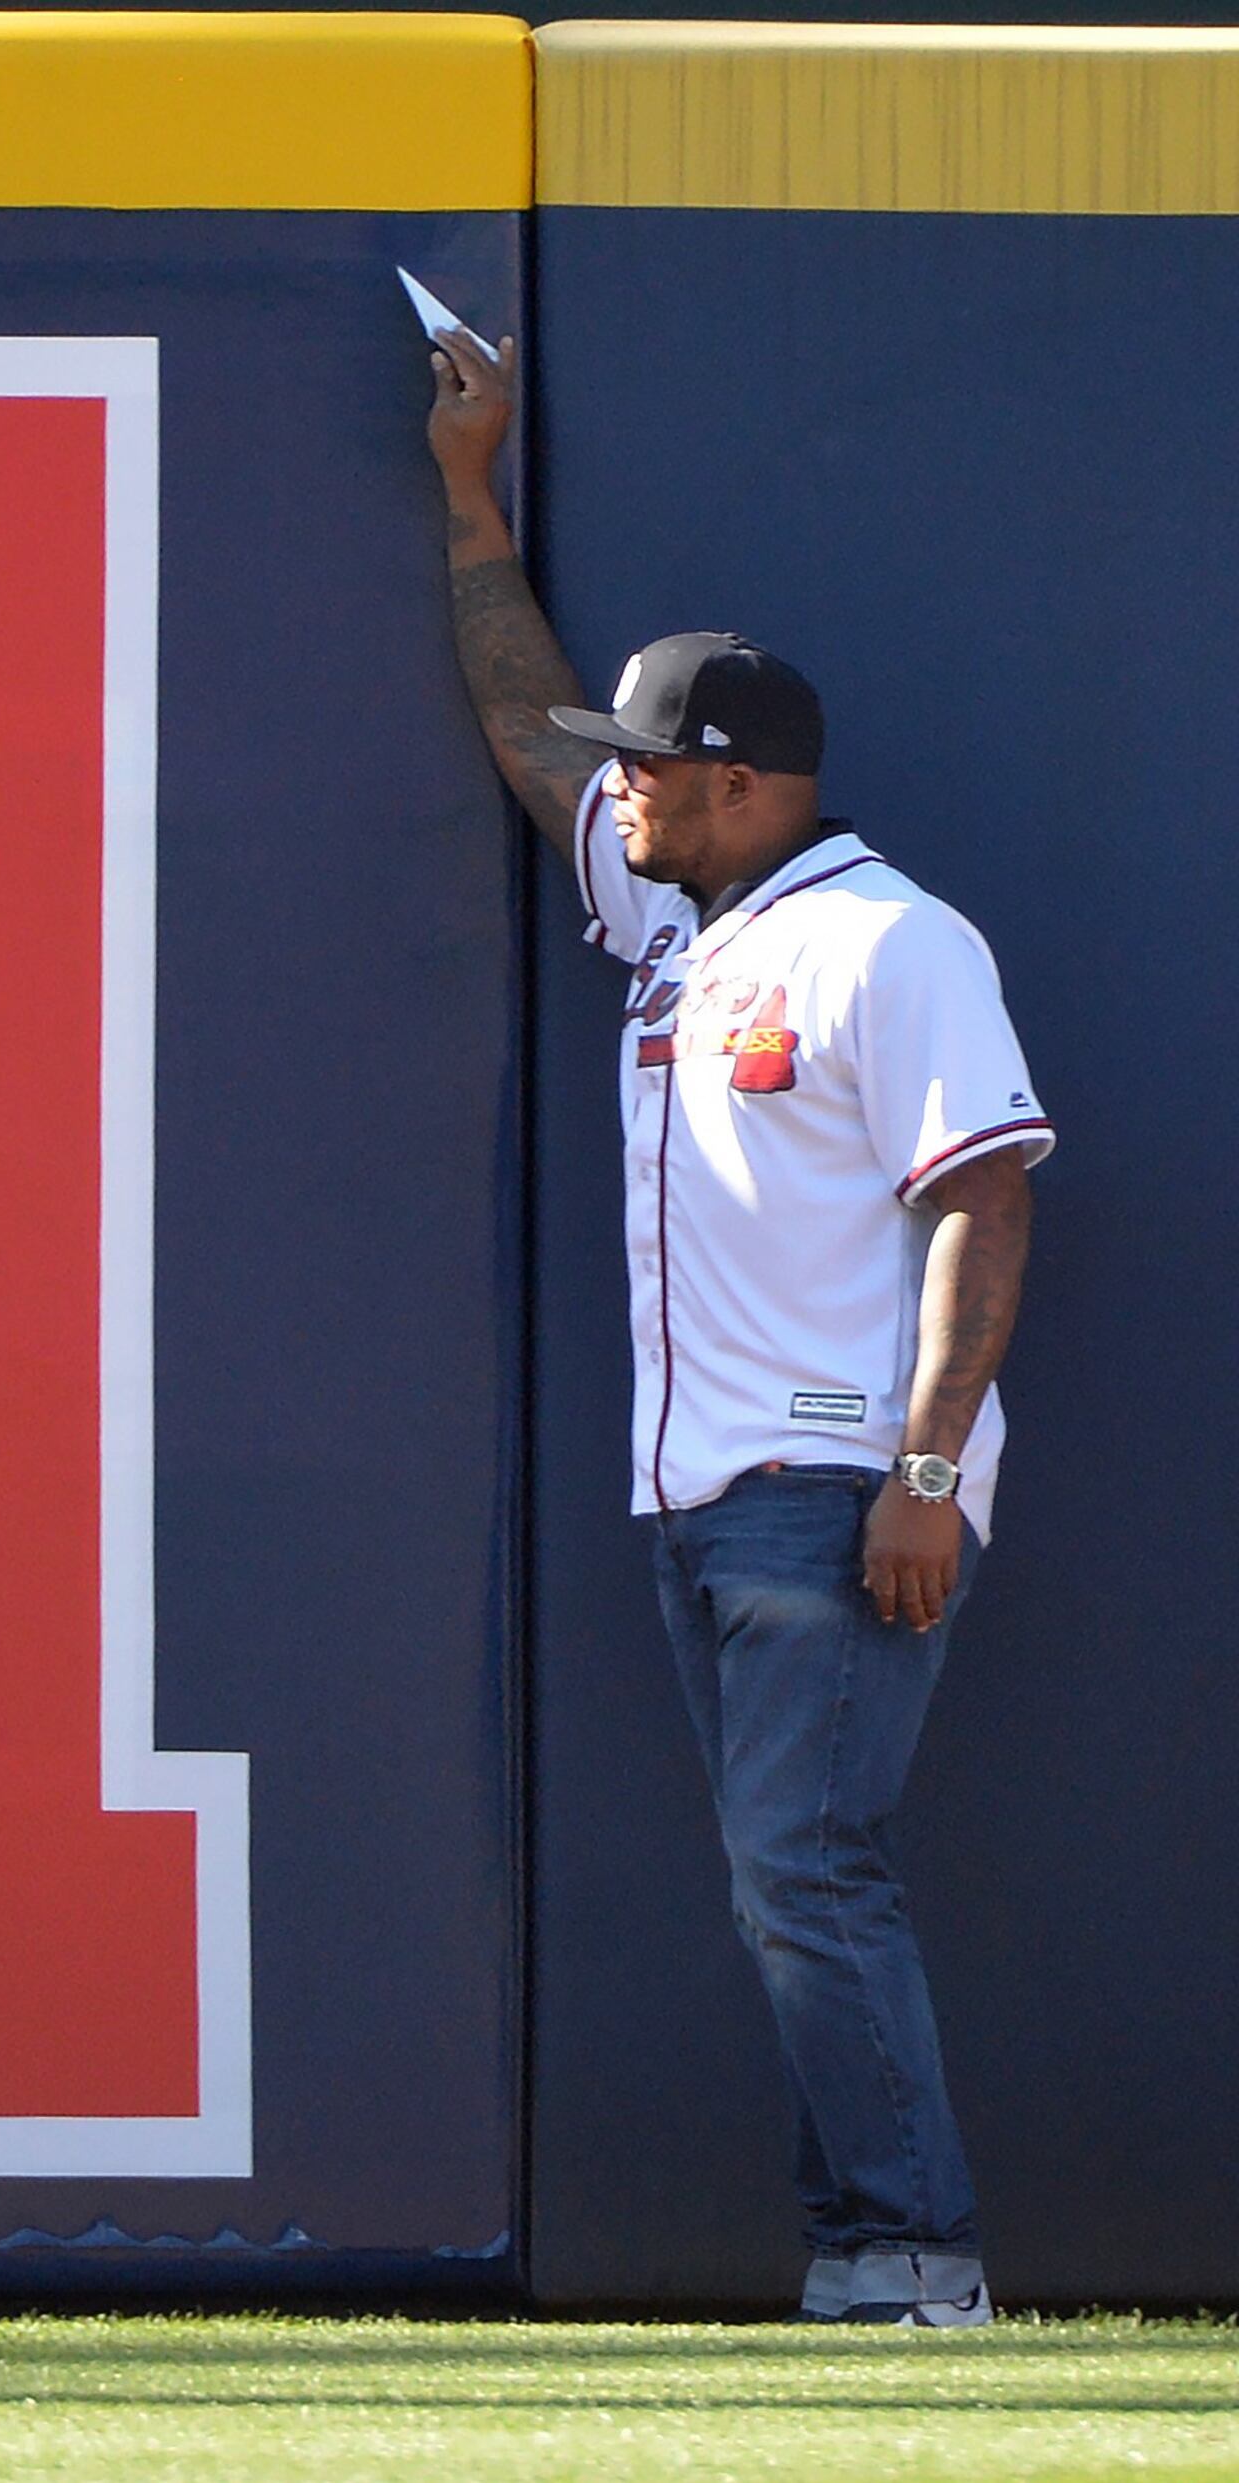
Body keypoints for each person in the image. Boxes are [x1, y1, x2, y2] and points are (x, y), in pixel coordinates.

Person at [426, 331, 1045, 2327]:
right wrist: (466, 495)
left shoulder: (890, 938)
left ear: (740, 781)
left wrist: (926, 1469)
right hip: (705, 1498)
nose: (620, 803)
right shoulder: (684, 926)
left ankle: (905, 2253)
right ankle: (887, 2243)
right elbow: (531, 735)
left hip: (840, 1480)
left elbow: (987, 1195)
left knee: (807, 1865)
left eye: (652, 777)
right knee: (790, 1873)